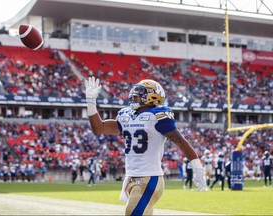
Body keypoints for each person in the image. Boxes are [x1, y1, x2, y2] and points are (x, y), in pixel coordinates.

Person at [85, 76, 206, 215]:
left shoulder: (157, 116)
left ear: (153, 96)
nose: (134, 94)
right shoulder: (126, 116)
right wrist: (91, 102)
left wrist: (197, 167)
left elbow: (180, 141)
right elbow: (99, 128)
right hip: (131, 176)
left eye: (140, 91)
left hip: (150, 178)